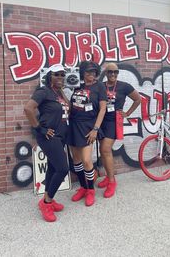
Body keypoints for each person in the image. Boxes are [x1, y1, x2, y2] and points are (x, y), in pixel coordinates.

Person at [24, 64, 70, 222]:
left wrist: (61, 91)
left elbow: (68, 110)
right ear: (49, 76)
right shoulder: (43, 91)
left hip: (61, 136)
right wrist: (40, 129)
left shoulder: (58, 93)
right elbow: (28, 109)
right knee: (63, 168)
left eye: (62, 75)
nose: (60, 78)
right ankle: (46, 203)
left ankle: (47, 197)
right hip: (49, 137)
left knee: (53, 167)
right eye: (56, 75)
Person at [98, 62, 141, 198]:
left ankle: (112, 181)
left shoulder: (124, 86)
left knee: (105, 149)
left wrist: (127, 113)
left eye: (115, 72)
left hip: (113, 122)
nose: (113, 74)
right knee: (102, 150)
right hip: (101, 121)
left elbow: (137, 99)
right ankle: (108, 176)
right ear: (106, 73)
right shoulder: (101, 86)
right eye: (110, 72)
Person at [68, 61, 107, 206]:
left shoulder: (100, 87)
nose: (90, 75)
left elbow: (102, 109)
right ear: (82, 73)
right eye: (87, 72)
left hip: (88, 126)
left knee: (86, 160)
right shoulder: (78, 85)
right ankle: (83, 187)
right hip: (73, 124)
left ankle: (91, 190)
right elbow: (72, 105)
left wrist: (96, 129)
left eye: (93, 72)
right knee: (76, 160)